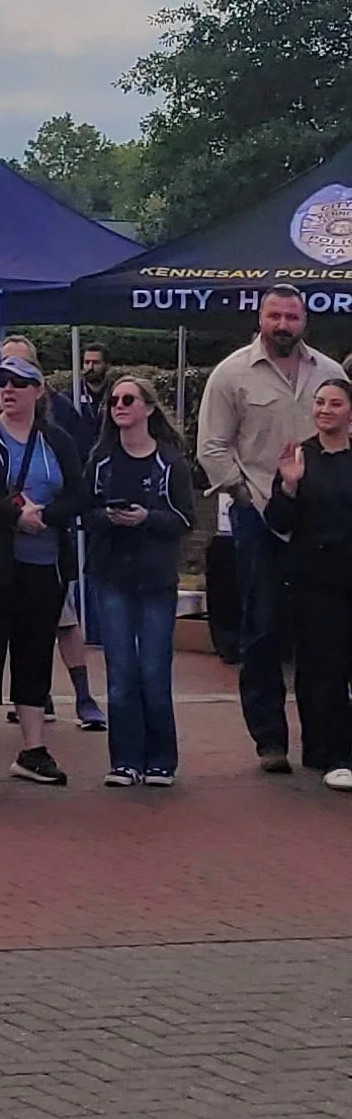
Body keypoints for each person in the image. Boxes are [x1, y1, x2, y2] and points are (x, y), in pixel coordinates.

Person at [198, 285, 346, 775]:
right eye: (275, 316)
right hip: (258, 513)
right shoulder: (231, 373)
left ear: (305, 320)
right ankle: (269, 739)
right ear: (260, 318)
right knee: (262, 628)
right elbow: (212, 448)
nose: (283, 324)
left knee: (319, 634)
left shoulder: (330, 373)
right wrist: (245, 497)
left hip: (318, 523)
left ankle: (322, 741)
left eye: (292, 316)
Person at [0, 356, 88, 789]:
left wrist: (46, 516)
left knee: (34, 654)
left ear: (37, 390)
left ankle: (32, 748)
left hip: (42, 564)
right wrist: (15, 515)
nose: (7, 390)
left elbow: (79, 491)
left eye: (18, 383)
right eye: (1, 383)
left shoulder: (56, 439)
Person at [88, 374, 195, 789]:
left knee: (153, 669)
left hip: (155, 579)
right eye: (114, 400)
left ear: (148, 407)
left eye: (128, 399)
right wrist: (109, 517)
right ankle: (124, 760)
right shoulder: (101, 460)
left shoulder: (170, 462)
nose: (119, 406)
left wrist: (147, 518)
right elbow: (85, 510)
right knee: (120, 671)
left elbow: (184, 518)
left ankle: (161, 759)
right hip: (112, 575)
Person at [1, 334, 107, 730]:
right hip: (5, 544)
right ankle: (35, 694)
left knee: (64, 620)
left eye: (19, 371)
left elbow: (81, 475)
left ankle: (83, 696)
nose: (9, 384)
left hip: (50, 544)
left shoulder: (62, 416)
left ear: (38, 377)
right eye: (3, 372)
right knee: (18, 624)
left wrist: (48, 514)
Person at [269, 376, 352, 787]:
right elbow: (277, 522)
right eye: (319, 402)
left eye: (335, 403)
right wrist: (288, 485)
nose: (324, 410)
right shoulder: (300, 456)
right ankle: (327, 751)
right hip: (314, 581)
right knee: (322, 668)